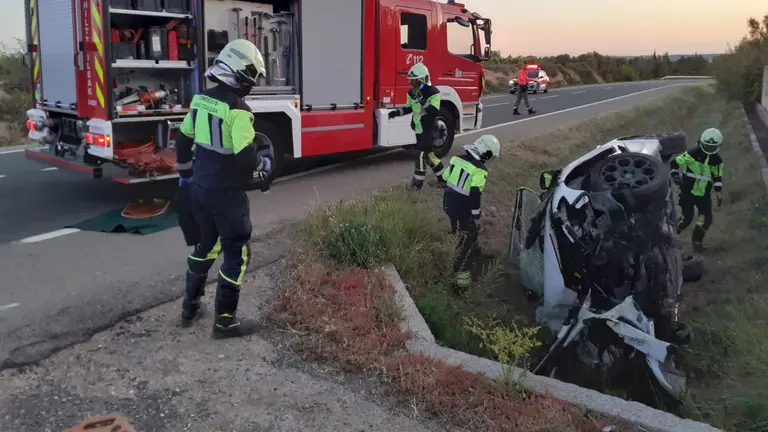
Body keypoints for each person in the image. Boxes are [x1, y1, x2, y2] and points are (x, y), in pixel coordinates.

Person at [175, 39, 271, 338]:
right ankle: (225, 322)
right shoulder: (239, 110)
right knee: (236, 253)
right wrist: (263, 165)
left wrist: (185, 176)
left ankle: (190, 308)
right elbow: (246, 157)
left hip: (200, 189)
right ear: (240, 74)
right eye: (251, 77)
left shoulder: (200, 100)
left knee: (206, 245)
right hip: (228, 195)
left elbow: (182, 140)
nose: (252, 84)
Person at [441, 134, 501, 294]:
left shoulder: (456, 159)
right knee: (464, 243)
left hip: (448, 204)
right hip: (463, 208)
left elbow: (445, 178)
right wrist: (476, 215)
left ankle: (474, 250)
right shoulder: (480, 170)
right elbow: (475, 194)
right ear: (486, 153)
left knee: (465, 233)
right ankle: (461, 285)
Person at [388, 63, 446, 189]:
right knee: (430, 157)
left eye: (414, 81)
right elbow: (409, 108)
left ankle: (417, 184)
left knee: (420, 155)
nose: (411, 83)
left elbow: (434, 112)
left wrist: (422, 100)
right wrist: (396, 113)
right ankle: (444, 179)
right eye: (410, 80)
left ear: (423, 80)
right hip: (419, 130)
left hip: (430, 129)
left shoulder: (433, 92)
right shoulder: (411, 93)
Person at [671, 127, 724, 253]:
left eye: (713, 147)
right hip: (687, 191)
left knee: (706, 220)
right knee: (686, 219)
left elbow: (717, 176)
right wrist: (675, 174)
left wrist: (718, 192)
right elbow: (675, 162)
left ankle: (697, 243)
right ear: (701, 143)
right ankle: (670, 239)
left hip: (704, 194)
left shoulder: (717, 160)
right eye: (707, 146)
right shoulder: (693, 153)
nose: (709, 149)